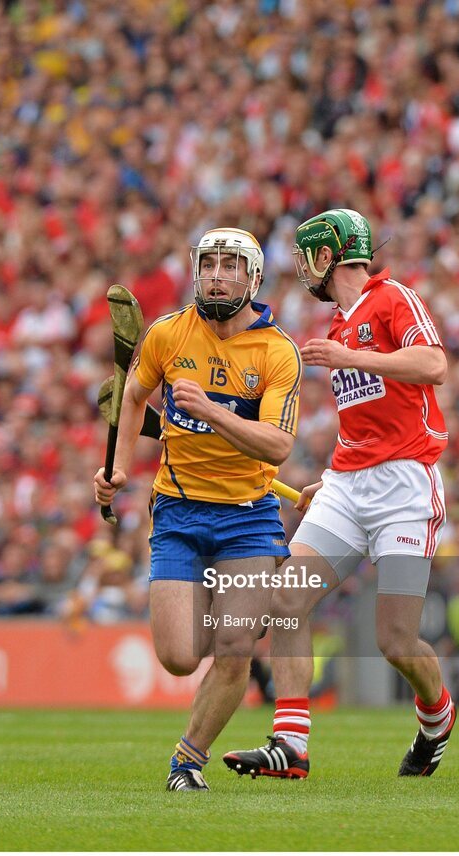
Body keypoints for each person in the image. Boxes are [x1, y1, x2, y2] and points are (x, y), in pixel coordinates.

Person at [223, 208, 454, 780]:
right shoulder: (338, 326)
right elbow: (366, 420)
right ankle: (291, 743)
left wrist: (351, 357)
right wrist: (334, 479)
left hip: (405, 485)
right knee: (286, 597)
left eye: (307, 254)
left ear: (328, 255)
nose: (302, 267)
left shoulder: (392, 298)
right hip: (348, 484)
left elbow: (433, 364)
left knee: (396, 641)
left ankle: (438, 716)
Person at [93, 228, 301, 792]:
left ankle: (187, 761)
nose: (216, 275)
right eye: (208, 264)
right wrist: (117, 467)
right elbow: (133, 397)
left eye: (230, 266)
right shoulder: (167, 334)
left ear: (254, 278)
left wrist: (211, 412)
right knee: (181, 657)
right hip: (179, 513)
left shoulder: (277, 351)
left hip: (249, 514)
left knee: (234, 648)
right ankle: (235, 613)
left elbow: (278, 446)